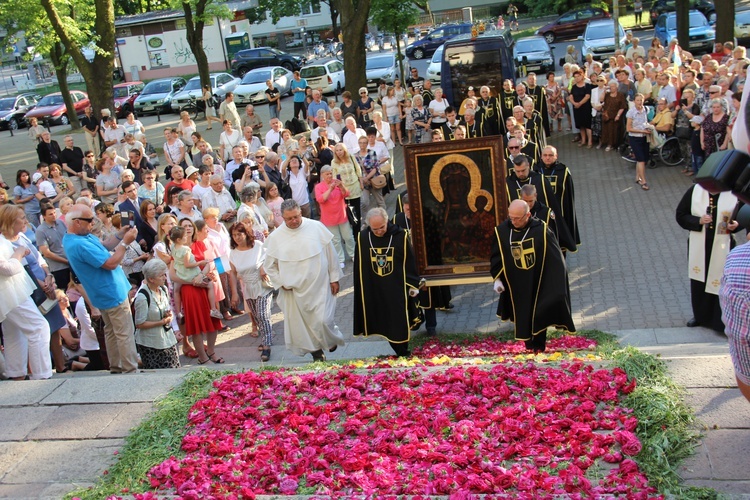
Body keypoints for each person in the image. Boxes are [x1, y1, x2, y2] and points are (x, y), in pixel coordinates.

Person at [264, 199, 345, 361]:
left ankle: (330, 340)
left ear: (301, 213)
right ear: (283, 218)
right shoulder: (276, 237)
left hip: (319, 285)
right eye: (289, 219)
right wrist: (280, 282)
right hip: (293, 290)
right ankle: (316, 354)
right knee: (302, 326)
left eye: (296, 217)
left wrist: (334, 278)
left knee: (323, 320)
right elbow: (269, 266)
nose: (294, 221)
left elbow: (331, 254)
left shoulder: (316, 227)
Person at [490, 199, 575, 352]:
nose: (514, 221)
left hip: (538, 280)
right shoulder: (502, 231)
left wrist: (556, 283)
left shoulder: (541, 230)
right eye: (511, 217)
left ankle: (539, 346)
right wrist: (497, 279)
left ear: (528, 215)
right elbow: (497, 256)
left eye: (518, 218)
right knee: (522, 314)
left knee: (539, 312)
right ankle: (529, 345)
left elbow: (555, 257)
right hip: (516, 283)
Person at [64, 204, 140, 373]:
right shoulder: (79, 244)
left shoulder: (78, 237)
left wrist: (120, 234)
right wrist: (125, 243)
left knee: (112, 332)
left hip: (105, 293)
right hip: (111, 292)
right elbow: (110, 263)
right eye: (89, 220)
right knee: (124, 333)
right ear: (76, 222)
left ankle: (117, 367)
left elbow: (104, 246)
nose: (93, 223)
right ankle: (129, 370)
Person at [354, 207, 422, 356]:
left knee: (398, 321)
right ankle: (400, 351)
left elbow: (409, 261)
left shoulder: (400, 235)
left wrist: (412, 284)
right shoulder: (363, 238)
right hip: (375, 288)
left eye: (382, 227)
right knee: (382, 320)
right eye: (375, 229)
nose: (379, 231)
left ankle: (402, 351)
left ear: (387, 221)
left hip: (396, 288)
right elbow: (360, 266)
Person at [676, 184, 739, 332]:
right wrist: (698, 221)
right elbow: (680, 215)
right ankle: (700, 316)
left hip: (723, 245)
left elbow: (743, 216)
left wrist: (736, 224)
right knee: (699, 281)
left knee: (721, 281)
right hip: (699, 245)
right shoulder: (694, 191)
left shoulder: (734, 193)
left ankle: (720, 321)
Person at [392, 195, 452, 336]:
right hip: (406, 264)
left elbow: (436, 238)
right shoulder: (397, 220)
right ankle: (416, 320)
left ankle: (431, 326)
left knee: (427, 294)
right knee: (411, 295)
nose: (408, 212)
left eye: (410, 209)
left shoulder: (427, 217)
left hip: (425, 263)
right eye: (406, 209)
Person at [0, 223, 52, 380]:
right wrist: (19, 252)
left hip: (12, 291)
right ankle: (41, 375)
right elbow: (8, 269)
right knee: (39, 327)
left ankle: (17, 374)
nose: (25, 222)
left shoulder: (4, 239)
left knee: (14, 333)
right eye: (20, 218)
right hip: (9, 292)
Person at [229, 222, 274, 362]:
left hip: (262, 285)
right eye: (234, 235)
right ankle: (265, 336)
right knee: (256, 316)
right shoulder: (233, 253)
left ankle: (267, 345)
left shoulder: (258, 246)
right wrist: (235, 294)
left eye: (239, 234)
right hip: (247, 288)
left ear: (246, 233)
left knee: (263, 314)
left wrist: (263, 267)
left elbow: (271, 257)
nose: (237, 237)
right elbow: (232, 273)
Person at [133, 259, 180, 369]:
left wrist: (168, 316)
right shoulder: (142, 297)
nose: (165, 278)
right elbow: (140, 324)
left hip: (168, 339)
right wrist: (162, 322)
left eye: (164, 274)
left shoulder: (163, 289)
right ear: (151, 279)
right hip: (151, 344)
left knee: (175, 371)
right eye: (161, 276)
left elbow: (167, 309)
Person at [537, 146, 580, 252]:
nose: (547, 158)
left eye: (551, 155)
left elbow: (568, 195)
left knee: (560, 242)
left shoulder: (563, 171)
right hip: (541, 211)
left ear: (556, 156)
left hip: (559, 212)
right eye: (545, 155)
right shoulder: (535, 170)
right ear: (541, 156)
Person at [315, 165, 355, 268]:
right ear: (322, 175)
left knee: (348, 237)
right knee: (335, 240)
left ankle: (353, 254)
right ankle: (340, 259)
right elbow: (321, 199)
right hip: (329, 218)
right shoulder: (319, 187)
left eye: (330, 173)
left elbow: (346, 194)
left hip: (341, 214)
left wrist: (341, 186)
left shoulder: (337, 182)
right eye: (327, 174)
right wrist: (330, 189)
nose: (329, 176)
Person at [626, 93, 652, 191]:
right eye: (637, 100)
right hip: (635, 138)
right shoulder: (631, 112)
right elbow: (629, 128)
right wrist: (642, 131)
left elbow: (645, 122)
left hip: (644, 137)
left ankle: (637, 177)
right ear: (634, 101)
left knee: (643, 159)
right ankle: (643, 181)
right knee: (640, 159)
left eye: (641, 100)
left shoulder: (645, 109)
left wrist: (649, 128)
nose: (639, 102)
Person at [568, 70, 594, 147]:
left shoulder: (587, 85)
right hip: (576, 108)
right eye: (575, 77)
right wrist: (575, 103)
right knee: (580, 125)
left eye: (578, 76)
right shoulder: (574, 87)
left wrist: (579, 103)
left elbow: (587, 96)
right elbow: (570, 97)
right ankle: (583, 140)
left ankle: (590, 141)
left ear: (582, 76)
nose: (577, 78)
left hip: (585, 108)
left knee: (587, 125)